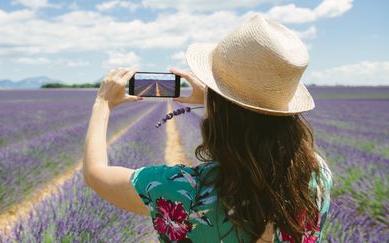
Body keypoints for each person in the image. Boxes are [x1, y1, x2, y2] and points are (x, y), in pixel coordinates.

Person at [83, 13, 333, 243]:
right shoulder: (316, 175)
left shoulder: (184, 191)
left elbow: (96, 173)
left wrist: (102, 103)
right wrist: (223, 100)